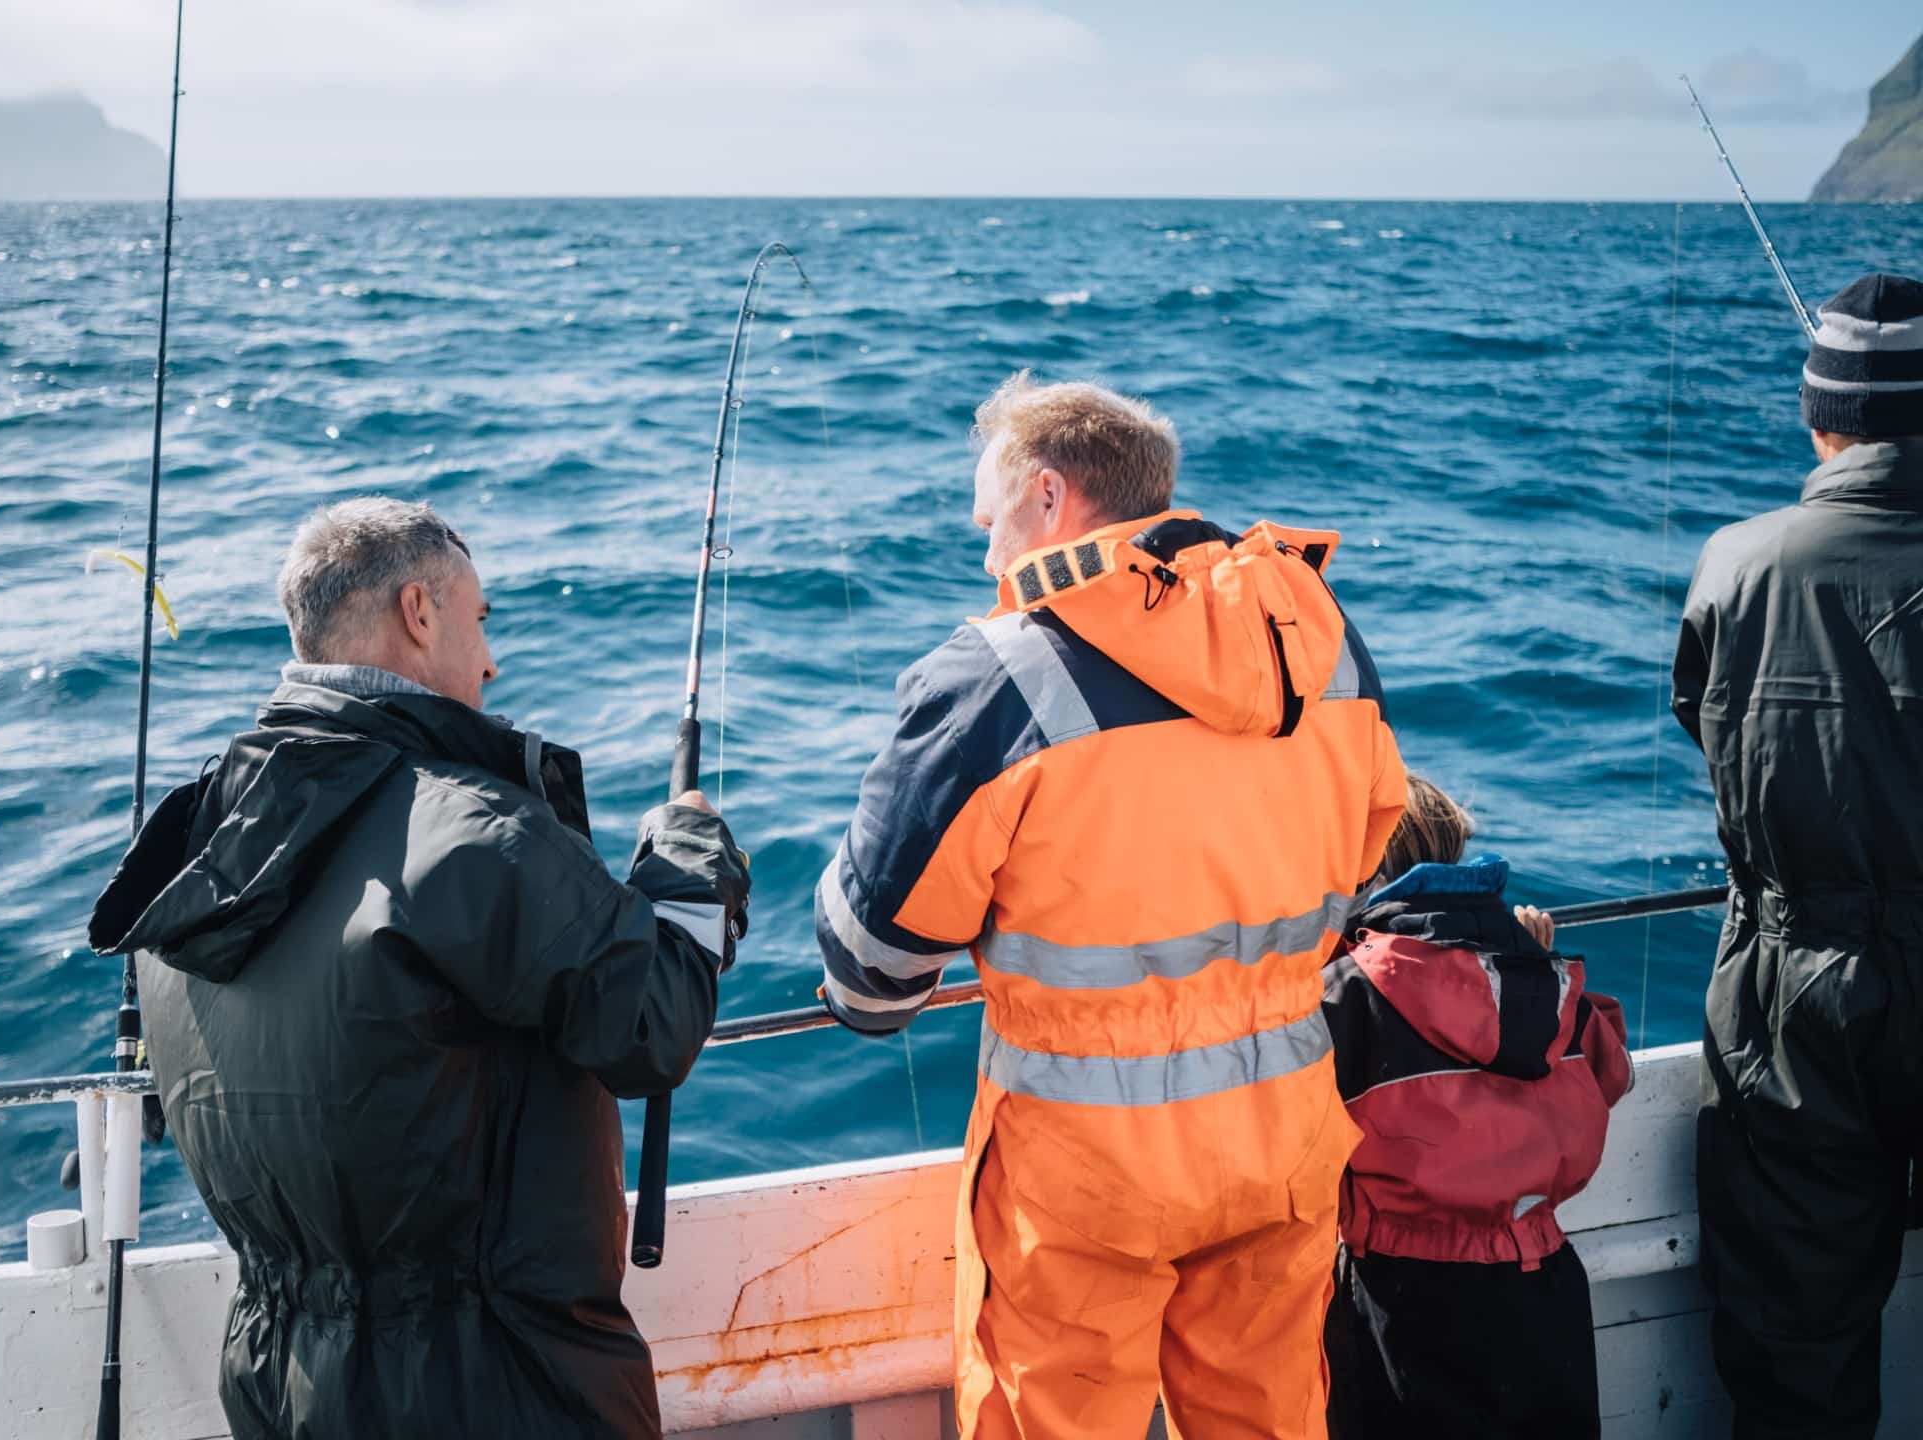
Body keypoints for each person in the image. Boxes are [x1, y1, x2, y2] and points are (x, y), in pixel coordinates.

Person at [814, 372, 1407, 1439]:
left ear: (1049, 500)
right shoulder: (1324, 647)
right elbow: (1363, 862)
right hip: (1283, 1137)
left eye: (991, 524)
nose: (989, 556)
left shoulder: (999, 673)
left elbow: (871, 966)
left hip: (1085, 1178)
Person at [86, 497, 750, 1440]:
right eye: (479, 621)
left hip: (283, 1388)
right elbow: (656, 1027)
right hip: (502, 1393)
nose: (490, 659)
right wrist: (688, 861)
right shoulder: (478, 835)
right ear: (418, 612)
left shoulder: (200, 852)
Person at [1672, 272, 1923, 1440]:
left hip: (1794, 991)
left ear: (1822, 417)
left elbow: (1701, 719)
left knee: (1797, 1339)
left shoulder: (1737, 562)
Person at [1320, 774, 1632, 1440]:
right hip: (1542, 1287)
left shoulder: (1347, 992)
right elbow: (1610, 1074)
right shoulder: (1541, 979)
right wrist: (1533, 958)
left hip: (1401, 1295)